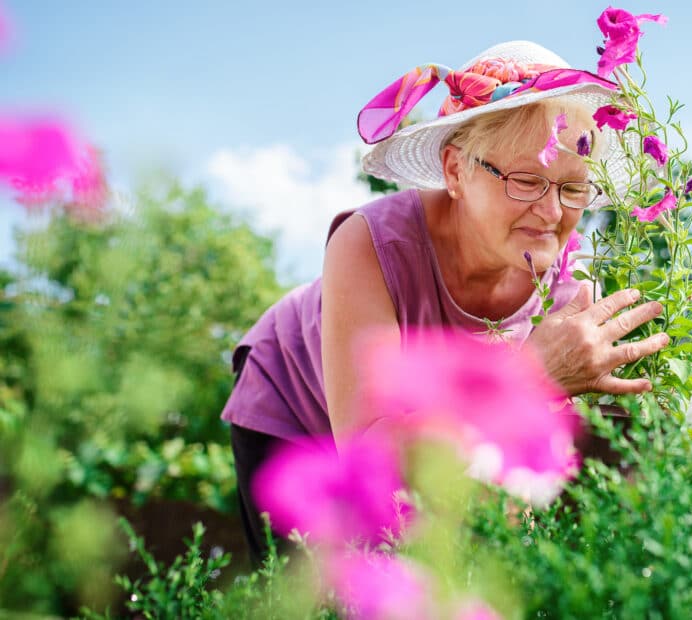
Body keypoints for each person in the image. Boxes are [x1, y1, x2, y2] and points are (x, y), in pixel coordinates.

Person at [221, 41, 669, 563]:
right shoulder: (371, 243)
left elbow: (515, 456)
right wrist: (531, 375)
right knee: (302, 589)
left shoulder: (570, 284)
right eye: (527, 181)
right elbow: (369, 452)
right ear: (456, 171)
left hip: (431, 428)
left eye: (572, 188)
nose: (551, 211)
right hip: (298, 405)